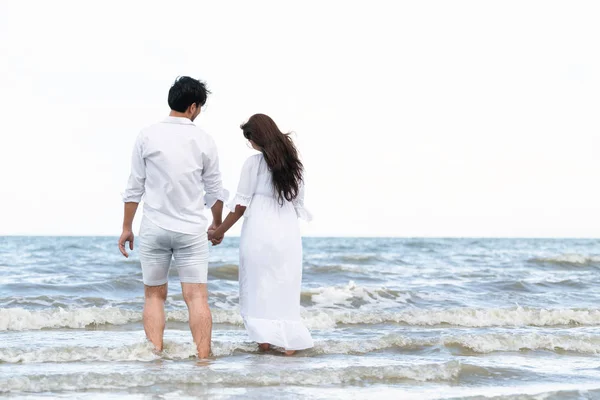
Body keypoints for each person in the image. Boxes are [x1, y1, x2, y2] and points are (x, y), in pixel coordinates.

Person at [118, 76, 227, 358]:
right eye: (200, 107)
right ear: (192, 107)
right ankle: (203, 359)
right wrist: (217, 224)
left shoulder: (147, 135)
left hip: (154, 226)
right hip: (191, 230)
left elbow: (135, 186)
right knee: (197, 297)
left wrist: (126, 227)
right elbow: (215, 191)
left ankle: (155, 356)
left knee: (154, 296)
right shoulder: (204, 139)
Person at [208, 114, 313, 355]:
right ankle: (289, 347)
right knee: (284, 290)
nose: (250, 144)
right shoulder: (294, 166)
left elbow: (240, 206)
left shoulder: (253, 164)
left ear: (258, 138)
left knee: (258, 288)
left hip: (259, 232)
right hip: (287, 235)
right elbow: (297, 206)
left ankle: (264, 345)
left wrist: (218, 232)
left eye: (250, 138)